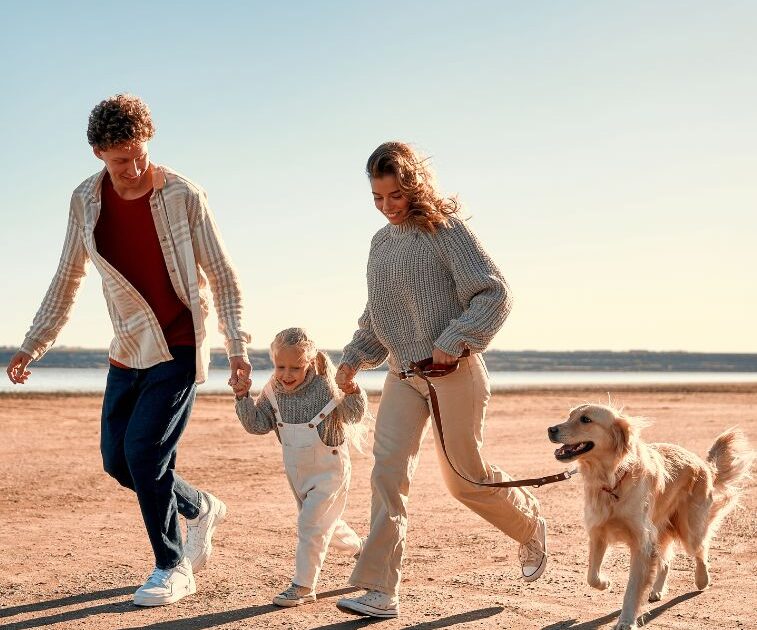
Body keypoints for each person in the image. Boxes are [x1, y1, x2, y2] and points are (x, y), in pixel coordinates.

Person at [5, 94, 251, 607]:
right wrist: (34, 344)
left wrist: (238, 348)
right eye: (120, 159)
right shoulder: (85, 200)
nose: (134, 167)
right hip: (128, 346)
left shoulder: (183, 194)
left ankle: (172, 564)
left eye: (139, 153)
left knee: (145, 452)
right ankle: (200, 505)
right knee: (119, 462)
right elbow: (67, 276)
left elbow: (223, 276)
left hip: (180, 343)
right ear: (98, 153)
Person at [333, 142, 547, 619]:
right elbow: (377, 316)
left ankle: (528, 524)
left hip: (455, 374)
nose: (387, 207)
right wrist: (351, 359)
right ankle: (379, 589)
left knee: (465, 480)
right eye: (377, 198)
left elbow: (495, 292)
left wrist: (456, 338)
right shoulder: (380, 244)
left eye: (394, 196)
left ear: (412, 187)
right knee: (387, 474)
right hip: (402, 376)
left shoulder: (445, 230)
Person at [232, 327, 368, 607]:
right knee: (322, 523)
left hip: (331, 469)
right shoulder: (272, 389)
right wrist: (242, 397)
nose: (287, 374)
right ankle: (363, 550)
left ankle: (303, 586)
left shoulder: (324, 386)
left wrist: (353, 390)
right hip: (297, 471)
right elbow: (258, 425)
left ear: (309, 362)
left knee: (310, 524)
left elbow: (353, 415)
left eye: (295, 367)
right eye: (281, 366)